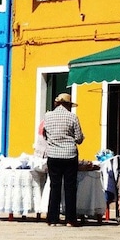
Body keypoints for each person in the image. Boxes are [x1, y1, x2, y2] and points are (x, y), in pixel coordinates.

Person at [42, 93, 85, 227]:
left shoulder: (47, 116)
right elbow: (78, 138)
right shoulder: (72, 117)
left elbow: (44, 134)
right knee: (70, 187)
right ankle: (70, 219)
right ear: (68, 105)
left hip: (53, 155)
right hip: (69, 155)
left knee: (54, 186)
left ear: (57, 103)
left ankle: (52, 219)